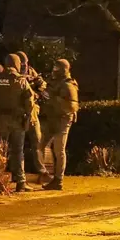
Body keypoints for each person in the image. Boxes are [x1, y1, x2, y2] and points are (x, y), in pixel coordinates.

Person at [0, 54, 35, 192]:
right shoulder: (21, 81)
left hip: (0, 120)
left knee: (0, 150)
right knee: (18, 151)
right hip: (17, 121)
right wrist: (27, 114)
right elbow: (29, 101)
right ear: (17, 64)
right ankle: (21, 182)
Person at [39, 59, 79, 191]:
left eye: (57, 68)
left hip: (62, 120)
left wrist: (53, 98)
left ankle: (58, 180)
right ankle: (45, 175)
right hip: (53, 119)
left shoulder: (68, 85)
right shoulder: (56, 82)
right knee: (41, 146)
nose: (54, 70)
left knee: (59, 150)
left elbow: (72, 106)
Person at [15, 51, 49, 183]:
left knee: (37, 141)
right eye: (21, 64)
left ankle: (42, 172)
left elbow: (45, 90)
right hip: (18, 114)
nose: (23, 66)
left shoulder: (32, 72)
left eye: (25, 64)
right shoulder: (13, 75)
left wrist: (38, 90)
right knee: (17, 146)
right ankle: (16, 173)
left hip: (32, 112)